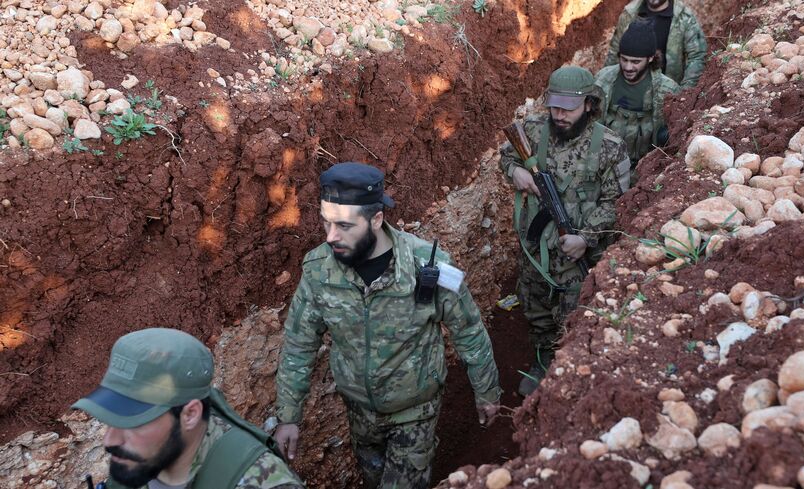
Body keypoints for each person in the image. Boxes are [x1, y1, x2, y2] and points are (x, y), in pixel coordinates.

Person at [274, 162, 501, 489]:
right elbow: (299, 344)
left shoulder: (428, 265)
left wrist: (487, 391)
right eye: (325, 222)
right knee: (373, 478)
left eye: (343, 225)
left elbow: (468, 330)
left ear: (376, 219)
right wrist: (288, 416)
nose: (331, 236)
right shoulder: (318, 270)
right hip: (359, 414)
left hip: (415, 411)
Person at [499, 66, 630, 396]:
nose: (559, 116)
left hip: (578, 257)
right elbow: (506, 155)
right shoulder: (531, 130)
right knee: (536, 310)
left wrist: (585, 237)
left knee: (573, 318)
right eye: (554, 107)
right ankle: (542, 362)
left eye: (567, 109)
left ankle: (567, 373)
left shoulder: (610, 147)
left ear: (589, 104)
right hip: (535, 250)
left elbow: (619, 204)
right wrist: (515, 170)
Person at [72, 328, 304, 489]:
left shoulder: (262, 481)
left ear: (190, 414)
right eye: (113, 419)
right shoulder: (134, 458)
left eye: (134, 420)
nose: (110, 441)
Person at [596, 19, 680, 181]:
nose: (628, 67)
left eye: (635, 62)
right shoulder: (603, 80)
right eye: (624, 59)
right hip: (604, 167)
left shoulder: (667, 90)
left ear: (650, 58)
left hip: (642, 171)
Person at [604, 0, 707, 89]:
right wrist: (607, 84)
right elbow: (614, 52)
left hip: (666, 93)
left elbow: (697, 56)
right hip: (629, 91)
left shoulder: (684, 17)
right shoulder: (630, 13)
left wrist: (684, 92)